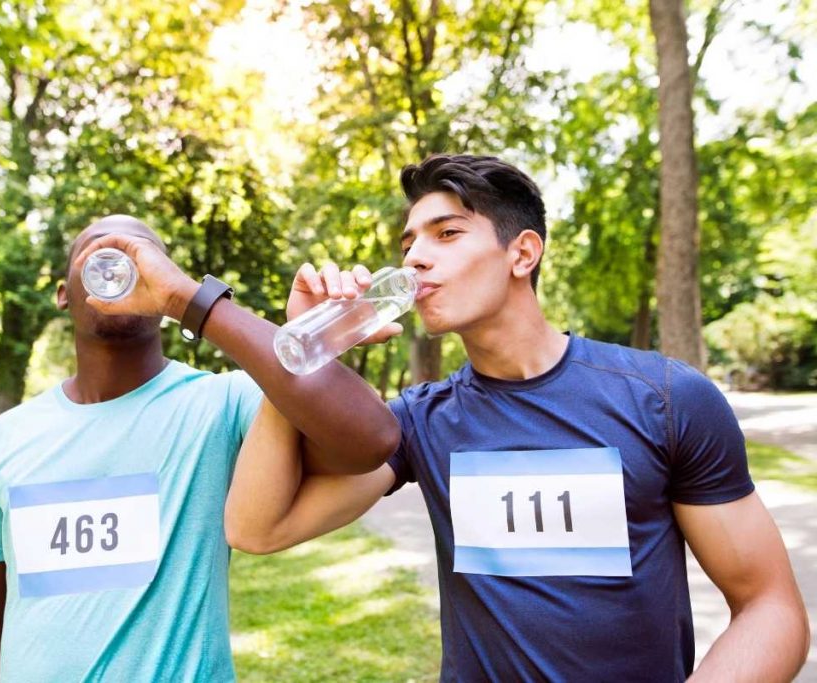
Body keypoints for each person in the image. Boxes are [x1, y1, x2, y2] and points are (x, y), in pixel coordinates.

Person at [225, 154, 810, 681]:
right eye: (408, 245)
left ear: (522, 253)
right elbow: (258, 528)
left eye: (448, 233)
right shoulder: (421, 422)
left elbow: (769, 606)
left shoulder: (666, 398)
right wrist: (299, 347)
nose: (415, 258)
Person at [0, 215, 400, 681]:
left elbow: (369, 441)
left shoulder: (227, 402)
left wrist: (298, 332)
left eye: (143, 253)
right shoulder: (1, 442)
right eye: (96, 249)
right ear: (63, 293)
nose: (119, 261)